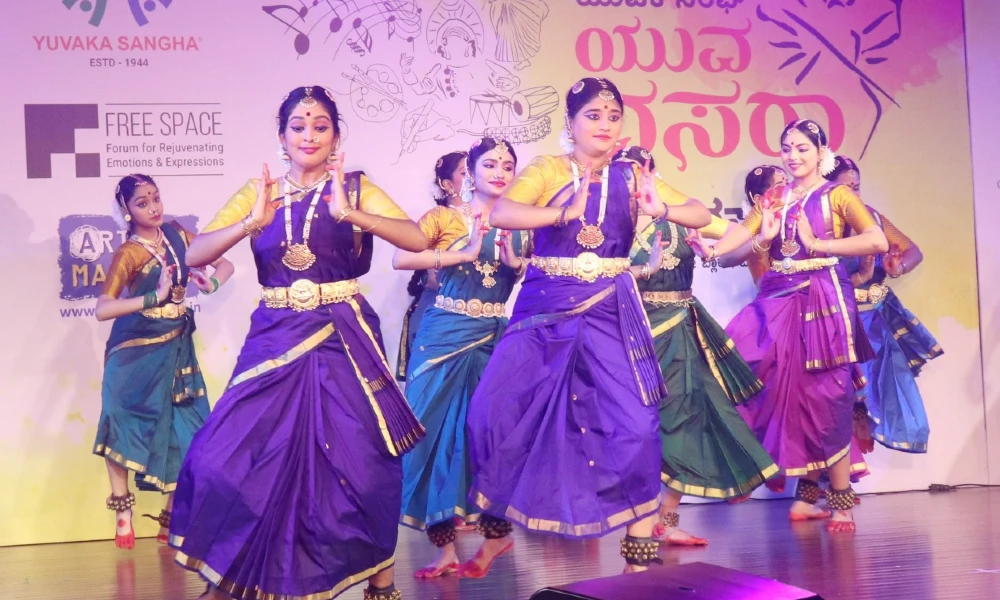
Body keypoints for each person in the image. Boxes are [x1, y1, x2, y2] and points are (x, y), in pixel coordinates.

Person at [169, 86, 428, 600]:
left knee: (363, 460)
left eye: (320, 125)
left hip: (343, 333)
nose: (309, 135)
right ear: (282, 136)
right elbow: (195, 252)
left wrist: (351, 213)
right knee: (222, 458)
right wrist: (251, 222)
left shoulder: (353, 187)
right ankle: (237, 571)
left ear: (335, 136)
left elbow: (417, 240)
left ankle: (380, 574)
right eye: (298, 126)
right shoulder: (258, 190)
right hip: (276, 334)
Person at [463, 77, 713, 577]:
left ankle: (638, 559)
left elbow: (700, 212)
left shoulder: (629, 174)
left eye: (613, 116)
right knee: (491, 414)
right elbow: (505, 211)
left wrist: (659, 207)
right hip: (545, 308)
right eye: (593, 116)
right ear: (571, 124)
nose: (604, 124)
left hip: (609, 311)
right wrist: (561, 212)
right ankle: (498, 530)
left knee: (637, 425)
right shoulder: (548, 168)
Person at [689, 119, 888, 532]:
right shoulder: (774, 197)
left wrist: (819, 245)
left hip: (824, 299)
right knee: (745, 369)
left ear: (821, 152)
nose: (794, 156)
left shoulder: (838, 195)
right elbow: (739, 235)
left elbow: (876, 241)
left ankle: (840, 504)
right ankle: (758, 472)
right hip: (778, 297)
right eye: (787, 148)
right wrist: (710, 250)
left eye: (802, 148)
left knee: (826, 397)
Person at [617, 147, 779, 543]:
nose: (635, 181)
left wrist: (761, 239)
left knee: (690, 419)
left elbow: (729, 243)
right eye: (625, 174)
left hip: (682, 329)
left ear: (653, 174)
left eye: (642, 172)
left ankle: (666, 521)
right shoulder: (610, 230)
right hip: (630, 335)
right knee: (632, 427)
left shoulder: (680, 216)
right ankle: (617, 518)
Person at [394, 137, 528, 578]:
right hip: (444, 334)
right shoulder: (443, 217)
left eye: (508, 165)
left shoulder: (521, 223)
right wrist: (464, 252)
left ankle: (496, 536)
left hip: (493, 338)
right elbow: (401, 257)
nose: (500, 172)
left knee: (487, 436)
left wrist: (521, 263)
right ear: (469, 173)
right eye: (490, 164)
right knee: (431, 435)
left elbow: (540, 274)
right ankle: (446, 550)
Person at [94, 174, 233, 549]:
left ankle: (171, 515)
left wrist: (212, 284)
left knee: (185, 426)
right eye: (142, 202)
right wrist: (153, 298)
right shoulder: (129, 253)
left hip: (175, 346)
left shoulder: (177, 233)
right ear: (127, 211)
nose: (154, 207)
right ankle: (123, 509)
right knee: (120, 419)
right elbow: (103, 309)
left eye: (155, 198)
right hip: (134, 349)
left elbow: (225, 265)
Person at [828, 156, 942, 454]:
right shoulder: (822, 226)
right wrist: (861, 276)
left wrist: (897, 267)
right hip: (836, 323)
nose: (854, 193)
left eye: (857, 186)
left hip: (876, 324)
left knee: (883, 392)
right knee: (838, 400)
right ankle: (833, 477)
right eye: (846, 187)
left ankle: (846, 478)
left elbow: (913, 250)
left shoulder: (871, 218)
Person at [396, 151, 469, 382]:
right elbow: (402, 257)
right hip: (440, 309)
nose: (474, 177)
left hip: (482, 316)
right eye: (466, 173)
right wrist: (455, 258)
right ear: (447, 184)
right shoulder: (440, 217)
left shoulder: (492, 217)